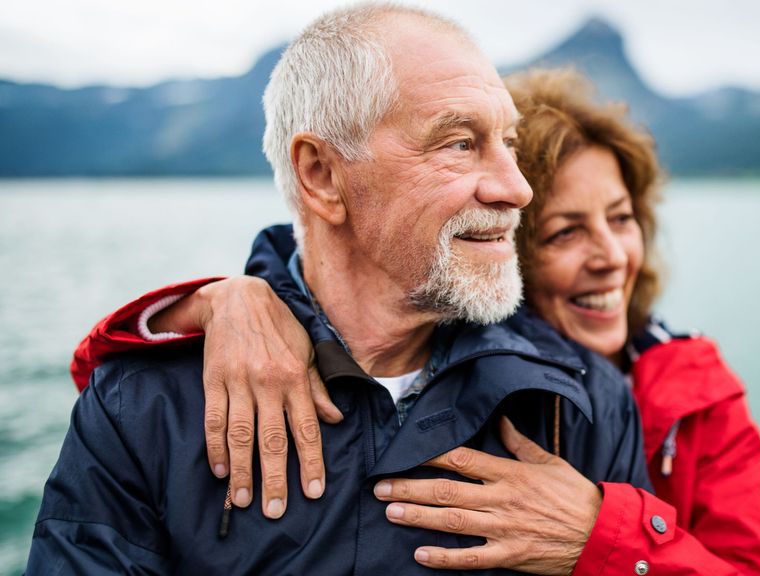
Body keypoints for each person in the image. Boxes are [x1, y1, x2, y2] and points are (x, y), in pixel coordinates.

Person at [67, 67, 760, 574]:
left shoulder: (688, 390)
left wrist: (601, 538)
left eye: (622, 219)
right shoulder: (255, 355)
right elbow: (118, 394)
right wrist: (224, 299)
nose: (613, 255)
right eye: (565, 232)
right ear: (493, 238)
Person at [28, 6, 652, 575]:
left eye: (508, 143)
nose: (517, 188)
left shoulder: (581, 401)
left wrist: (605, 543)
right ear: (322, 174)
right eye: (460, 143)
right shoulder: (145, 407)